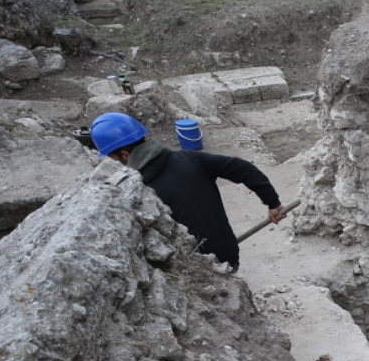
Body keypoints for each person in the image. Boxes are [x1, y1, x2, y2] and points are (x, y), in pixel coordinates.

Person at [89, 112, 285, 271]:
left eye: (113, 157)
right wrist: (273, 203)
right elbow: (243, 168)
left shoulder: (141, 193)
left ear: (125, 154)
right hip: (228, 251)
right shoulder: (190, 158)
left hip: (195, 269)